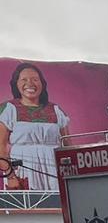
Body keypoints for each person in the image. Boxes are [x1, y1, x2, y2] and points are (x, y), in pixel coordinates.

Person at [0, 62, 71, 191]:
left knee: (60, 205)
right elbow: (1, 146)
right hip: (23, 168)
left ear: (42, 84)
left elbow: (68, 145)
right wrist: (10, 176)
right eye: (24, 80)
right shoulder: (9, 108)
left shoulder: (55, 110)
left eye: (35, 79)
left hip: (54, 167)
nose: (30, 84)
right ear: (16, 84)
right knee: (30, 206)